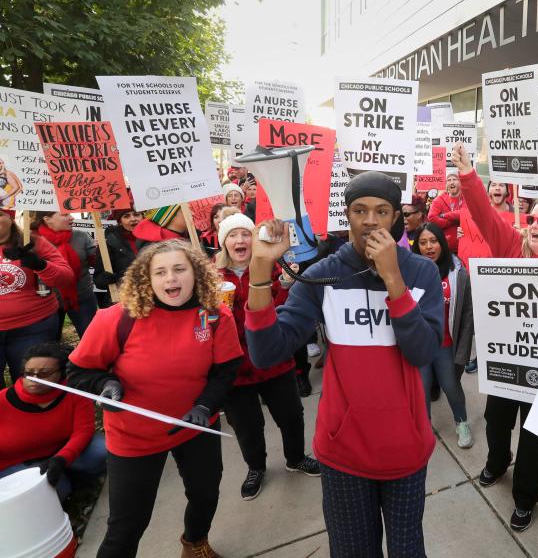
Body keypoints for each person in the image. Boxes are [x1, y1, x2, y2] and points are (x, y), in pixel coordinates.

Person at [245, 171, 443, 558]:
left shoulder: (422, 272)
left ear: (396, 218)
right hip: (344, 452)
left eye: (382, 210)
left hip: (405, 449)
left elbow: (422, 352)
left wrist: (393, 280)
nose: (370, 220)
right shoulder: (323, 275)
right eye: (359, 210)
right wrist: (258, 272)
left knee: (408, 550)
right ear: (347, 216)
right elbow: (268, 353)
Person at [67, 240, 243, 558]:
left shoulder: (215, 315)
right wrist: (105, 385)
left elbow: (226, 370)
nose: (170, 279)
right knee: (127, 526)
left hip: (195, 427)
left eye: (179, 269)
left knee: (205, 495)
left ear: (197, 273)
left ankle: (195, 543)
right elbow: (78, 371)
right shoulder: (115, 319)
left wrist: (206, 405)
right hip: (133, 438)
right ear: (146, 278)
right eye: (159, 272)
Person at [451, 142, 538, 532]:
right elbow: (486, 216)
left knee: (534, 439)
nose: (533, 226)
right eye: (532, 219)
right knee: (495, 421)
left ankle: (524, 499)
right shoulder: (510, 247)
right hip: (507, 362)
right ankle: (496, 462)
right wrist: (470, 175)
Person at [215, 211, 321, 500]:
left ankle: (296, 457)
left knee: (290, 415)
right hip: (234, 368)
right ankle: (256, 468)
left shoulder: (272, 268)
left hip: (274, 362)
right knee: (247, 425)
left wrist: (286, 285)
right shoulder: (210, 278)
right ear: (224, 243)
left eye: (245, 234)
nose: (240, 240)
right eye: (233, 235)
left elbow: (283, 315)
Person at [0, 343, 106, 502]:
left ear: (62, 373)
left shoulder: (74, 392)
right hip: (16, 463)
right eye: (28, 373)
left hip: (60, 452)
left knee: (102, 450)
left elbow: (83, 431)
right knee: (57, 493)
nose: (34, 379)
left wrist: (62, 458)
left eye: (45, 373)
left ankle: (80, 479)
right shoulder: (2, 401)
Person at [412, 222, 474, 449]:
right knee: (422, 388)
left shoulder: (458, 272)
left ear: (442, 243)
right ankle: (423, 426)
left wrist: (463, 350)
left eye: (433, 241)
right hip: (419, 346)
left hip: (445, 345)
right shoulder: (408, 273)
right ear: (416, 246)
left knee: (450, 386)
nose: (429, 247)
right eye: (423, 242)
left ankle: (462, 422)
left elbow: (467, 313)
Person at [0, 210, 73, 383]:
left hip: (33, 327)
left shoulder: (34, 243)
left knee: (34, 381)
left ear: (10, 219)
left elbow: (66, 278)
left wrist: (40, 265)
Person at [34, 211, 98, 338]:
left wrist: (100, 252)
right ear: (47, 219)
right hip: (47, 301)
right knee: (50, 344)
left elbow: (95, 263)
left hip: (82, 297)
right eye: (65, 215)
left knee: (90, 338)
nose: (72, 218)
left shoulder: (81, 236)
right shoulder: (32, 240)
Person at [457, 179, 515, 269]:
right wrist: (463, 234)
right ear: (488, 191)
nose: (497, 188)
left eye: (501, 185)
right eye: (493, 185)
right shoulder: (478, 212)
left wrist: (522, 234)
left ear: (508, 191)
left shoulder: (517, 216)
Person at [93, 207, 143, 294]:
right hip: (126, 296)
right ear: (120, 221)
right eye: (126, 216)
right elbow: (99, 280)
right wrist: (112, 278)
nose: (133, 219)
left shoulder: (155, 237)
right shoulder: (109, 242)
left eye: (136, 214)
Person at [427, 172, 465, 253]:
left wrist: (444, 215)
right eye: (449, 180)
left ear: (460, 182)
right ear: (446, 184)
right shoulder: (439, 200)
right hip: (444, 248)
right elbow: (432, 219)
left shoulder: (467, 199)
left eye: (455, 179)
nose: (451, 182)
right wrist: (454, 220)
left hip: (464, 247)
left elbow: (465, 213)